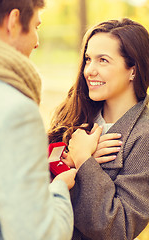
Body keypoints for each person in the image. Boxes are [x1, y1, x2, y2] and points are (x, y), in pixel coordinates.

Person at [48, 18, 149, 240]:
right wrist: (68, 162)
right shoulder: (73, 114)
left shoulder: (144, 137)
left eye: (103, 60)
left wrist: (84, 160)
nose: (89, 71)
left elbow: (118, 228)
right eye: (88, 59)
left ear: (133, 69)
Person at [0, 1, 81, 240]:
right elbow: (39, 235)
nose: (37, 41)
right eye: (35, 26)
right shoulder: (16, 112)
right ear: (13, 21)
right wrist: (59, 188)